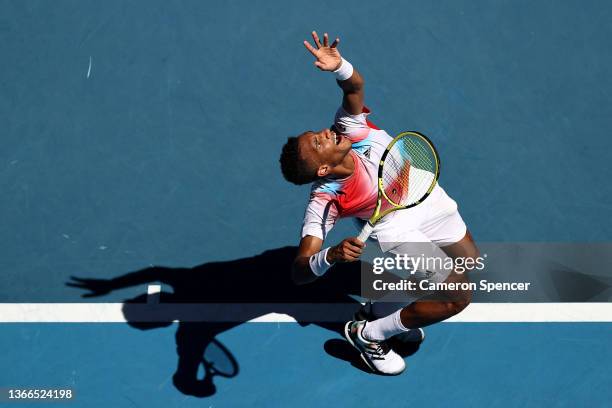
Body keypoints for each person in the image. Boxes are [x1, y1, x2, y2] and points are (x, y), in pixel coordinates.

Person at [279, 31, 479, 375]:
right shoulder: (326, 200)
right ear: (323, 168)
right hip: (394, 227)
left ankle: (382, 309)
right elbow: (300, 271)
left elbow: (353, 88)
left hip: (422, 193)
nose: (324, 133)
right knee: (455, 297)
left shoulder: (348, 128)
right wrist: (331, 255)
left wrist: (339, 66)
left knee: (470, 264)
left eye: (317, 133)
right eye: (317, 142)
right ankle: (370, 334)